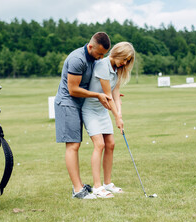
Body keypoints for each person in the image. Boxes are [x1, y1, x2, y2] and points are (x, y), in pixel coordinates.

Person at [54, 32, 112, 199]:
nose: (101, 58)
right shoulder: (77, 59)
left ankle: (79, 186)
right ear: (90, 46)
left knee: (76, 144)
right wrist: (98, 95)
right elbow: (73, 90)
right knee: (73, 145)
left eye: (104, 55)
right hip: (67, 103)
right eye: (99, 53)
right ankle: (78, 190)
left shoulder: (95, 59)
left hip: (80, 104)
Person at [82, 42, 135, 198]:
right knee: (100, 144)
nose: (124, 63)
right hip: (90, 109)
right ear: (117, 53)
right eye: (124, 59)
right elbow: (107, 95)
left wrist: (120, 115)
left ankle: (107, 183)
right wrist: (117, 117)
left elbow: (116, 94)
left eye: (128, 61)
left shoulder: (117, 70)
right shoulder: (102, 66)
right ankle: (97, 187)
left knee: (110, 144)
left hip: (103, 109)